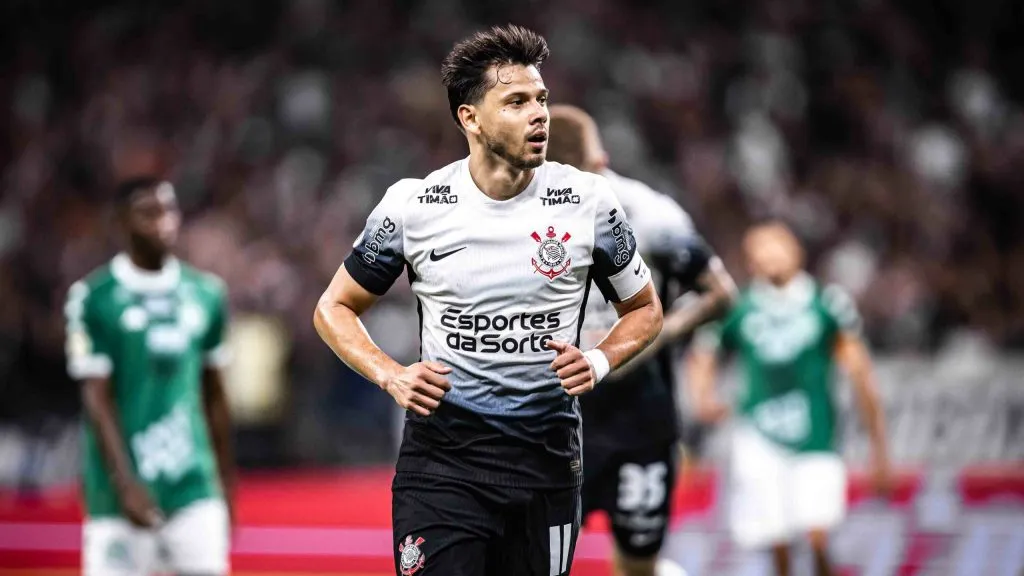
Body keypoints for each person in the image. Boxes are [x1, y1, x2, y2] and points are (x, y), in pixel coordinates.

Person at [313, 24, 663, 576]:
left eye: (542, 99)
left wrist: (600, 359)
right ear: (469, 118)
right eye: (518, 101)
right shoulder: (413, 206)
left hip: (546, 463)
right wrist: (389, 374)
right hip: (443, 465)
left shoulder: (588, 201)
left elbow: (644, 308)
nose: (540, 113)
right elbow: (333, 307)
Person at [546, 104, 737, 576]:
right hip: (556, 422)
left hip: (640, 418)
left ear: (601, 162)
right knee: (539, 560)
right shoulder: (523, 209)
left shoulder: (650, 215)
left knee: (637, 564)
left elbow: (720, 293)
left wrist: (653, 332)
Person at [687, 221, 892, 576]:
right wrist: (703, 397)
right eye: (759, 249)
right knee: (776, 537)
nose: (769, 255)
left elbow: (860, 371)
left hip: (817, 434)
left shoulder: (827, 303)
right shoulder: (740, 306)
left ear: (798, 251)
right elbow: (703, 353)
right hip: (760, 435)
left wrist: (879, 449)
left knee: (817, 535)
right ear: (750, 261)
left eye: (776, 245)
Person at [64, 177, 236, 576]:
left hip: (192, 485)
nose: (164, 222)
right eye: (148, 212)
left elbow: (215, 394)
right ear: (121, 223)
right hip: (118, 495)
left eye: (169, 210)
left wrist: (226, 482)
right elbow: (97, 399)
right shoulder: (93, 298)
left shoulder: (207, 294)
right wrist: (125, 485)